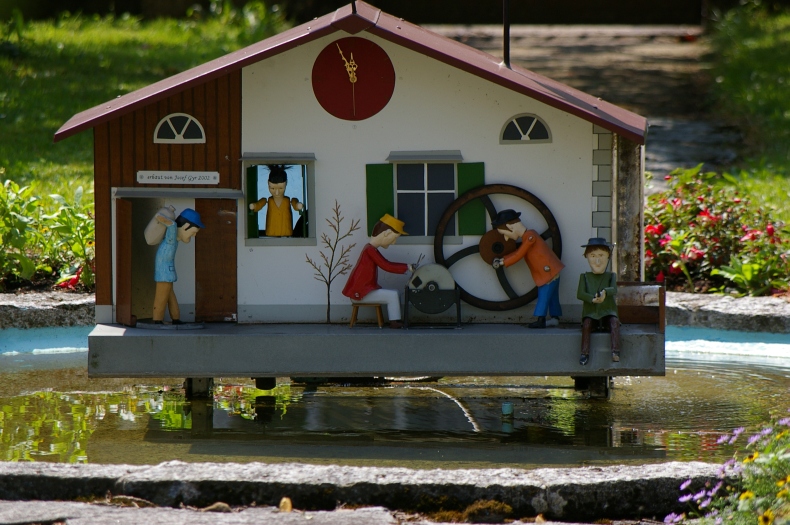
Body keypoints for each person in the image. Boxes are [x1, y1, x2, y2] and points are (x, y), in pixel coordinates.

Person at [491, 209, 564, 328]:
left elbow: (519, 254)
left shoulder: (530, 237)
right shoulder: (530, 235)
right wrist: (504, 258)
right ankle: (555, 318)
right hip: (552, 270)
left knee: (544, 295)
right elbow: (518, 252)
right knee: (552, 296)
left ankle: (541, 320)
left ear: (510, 227)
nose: (506, 238)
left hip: (548, 272)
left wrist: (503, 262)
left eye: (505, 233)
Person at [342, 214, 415, 329]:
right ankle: (394, 322)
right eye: (394, 238)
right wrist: (407, 267)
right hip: (360, 293)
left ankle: (396, 320)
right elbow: (386, 265)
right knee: (393, 295)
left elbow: (386, 264)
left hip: (363, 290)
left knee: (395, 293)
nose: (393, 242)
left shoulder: (370, 249)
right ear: (386, 233)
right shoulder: (370, 250)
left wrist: (406, 267)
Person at [152, 208, 204, 324]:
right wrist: (159, 216)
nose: (194, 235)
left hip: (165, 272)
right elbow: (171, 225)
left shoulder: (174, 240)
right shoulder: (171, 237)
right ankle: (158, 319)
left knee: (168, 296)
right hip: (164, 273)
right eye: (193, 232)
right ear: (185, 226)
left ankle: (173, 318)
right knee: (162, 298)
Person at [577, 237, 620, 365]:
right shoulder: (584, 277)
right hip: (591, 312)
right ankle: (584, 353)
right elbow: (580, 294)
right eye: (593, 256)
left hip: (608, 311)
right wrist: (592, 299)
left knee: (614, 322)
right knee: (587, 324)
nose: (597, 261)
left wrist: (605, 292)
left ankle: (615, 352)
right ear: (586, 257)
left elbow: (614, 289)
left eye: (601, 255)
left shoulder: (611, 276)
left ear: (608, 257)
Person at [249, 164, 303, 237]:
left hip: (286, 231)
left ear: (286, 183)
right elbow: (259, 205)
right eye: (272, 188)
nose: (277, 192)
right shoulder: (268, 200)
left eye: (281, 188)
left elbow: (295, 204)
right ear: (268, 184)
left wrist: (297, 205)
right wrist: (254, 206)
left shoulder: (288, 200)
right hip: (271, 231)